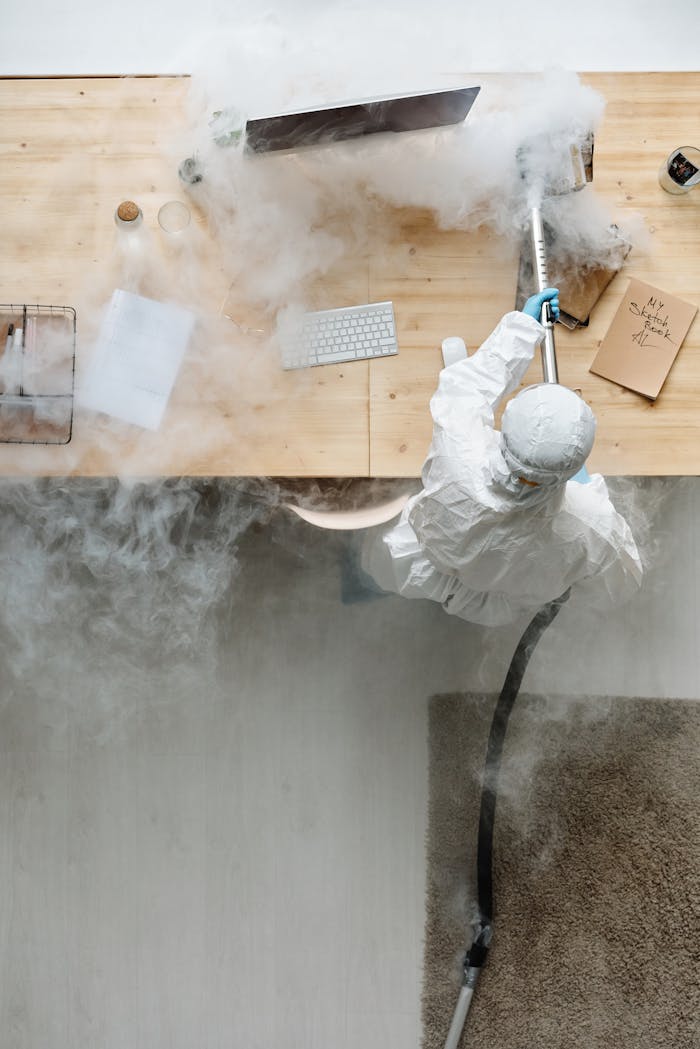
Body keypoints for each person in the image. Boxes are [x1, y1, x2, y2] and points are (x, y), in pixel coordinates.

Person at [360, 289, 643, 626]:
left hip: (426, 562)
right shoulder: (592, 523)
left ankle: (363, 580)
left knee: (376, 563)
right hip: (498, 599)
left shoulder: (459, 451)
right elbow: (621, 585)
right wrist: (588, 498)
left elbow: (467, 386)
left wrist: (523, 325)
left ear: (504, 428)